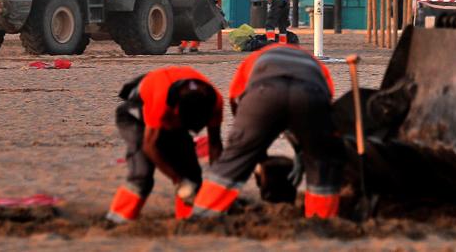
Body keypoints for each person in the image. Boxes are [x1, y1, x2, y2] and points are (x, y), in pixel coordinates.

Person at [190, 43, 345, 219]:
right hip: (310, 95)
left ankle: (203, 215)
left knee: (232, 162)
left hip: (263, 94)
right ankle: (322, 219)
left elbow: (235, 99)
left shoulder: (255, 58)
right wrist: (304, 149)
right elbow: (325, 104)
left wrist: (248, 140)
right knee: (322, 162)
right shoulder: (315, 64)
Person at [107, 66, 224, 223]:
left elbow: (215, 144)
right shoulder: (162, 101)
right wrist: (178, 180)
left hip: (169, 114)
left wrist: (218, 184)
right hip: (135, 115)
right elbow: (149, 146)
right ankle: (116, 221)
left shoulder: (215, 101)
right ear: (176, 112)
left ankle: (188, 221)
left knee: (192, 175)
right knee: (142, 174)